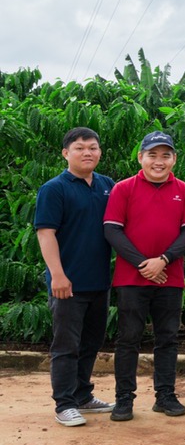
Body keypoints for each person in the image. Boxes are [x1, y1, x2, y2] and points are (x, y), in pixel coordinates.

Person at [102, 131, 185, 421]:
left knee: (167, 338)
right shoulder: (123, 188)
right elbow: (112, 230)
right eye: (152, 155)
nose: (159, 161)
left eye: (165, 155)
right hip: (132, 278)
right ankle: (124, 400)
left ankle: (165, 396)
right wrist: (145, 264)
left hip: (171, 277)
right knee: (128, 339)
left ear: (174, 159)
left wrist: (164, 260)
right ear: (140, 157)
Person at [35, 127, 115, 427]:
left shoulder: (107, 185)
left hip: (100, 281)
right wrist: (57, 275)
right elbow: (46, 233)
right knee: (66, 346)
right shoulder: (54, 188)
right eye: (80, 148)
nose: (87, 153)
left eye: (93, 147)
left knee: (92, 342)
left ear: (99, 152)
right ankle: (64, 404)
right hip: (67, 283)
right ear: (66, 153)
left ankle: (83, 395)